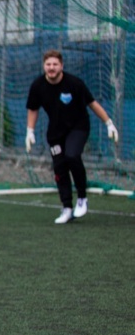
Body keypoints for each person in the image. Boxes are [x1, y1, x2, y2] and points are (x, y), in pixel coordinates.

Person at [25, 50, 119, 224]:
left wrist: (109, 123)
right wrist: (30, 131)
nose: (51, 68)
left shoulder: (74, 83)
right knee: (59, 167)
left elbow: (92, 103)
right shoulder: (37, 86)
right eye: (48, 64)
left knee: (72, 156)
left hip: (78, 127)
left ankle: (82, 198)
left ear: (62, 66)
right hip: (56, 132)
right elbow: (33, 108)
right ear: (44, 66)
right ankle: (67, 208)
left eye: (55, 64)